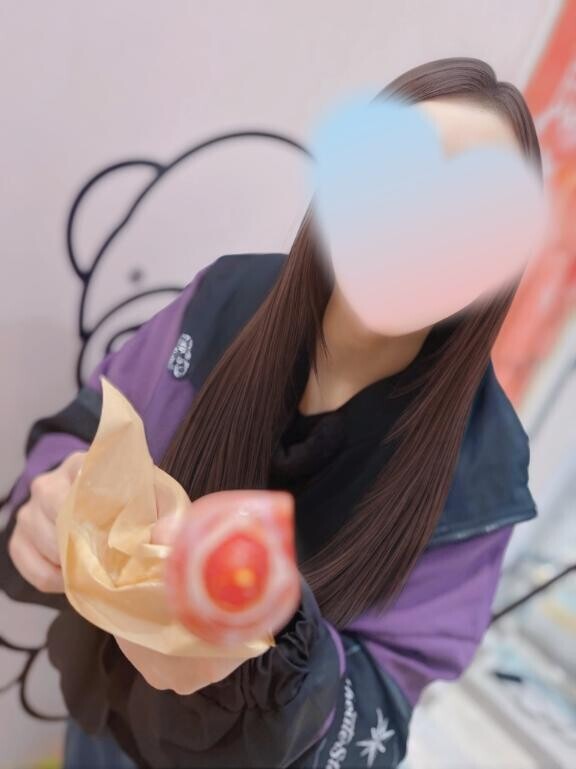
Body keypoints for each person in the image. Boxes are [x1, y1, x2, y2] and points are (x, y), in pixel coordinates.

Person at [1, 58, 542, 769]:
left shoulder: (482, 471)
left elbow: (376, 715)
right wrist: (46, 505)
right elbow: (89, 428)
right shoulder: (223, 302)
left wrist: (280, 640)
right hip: (106, 729)